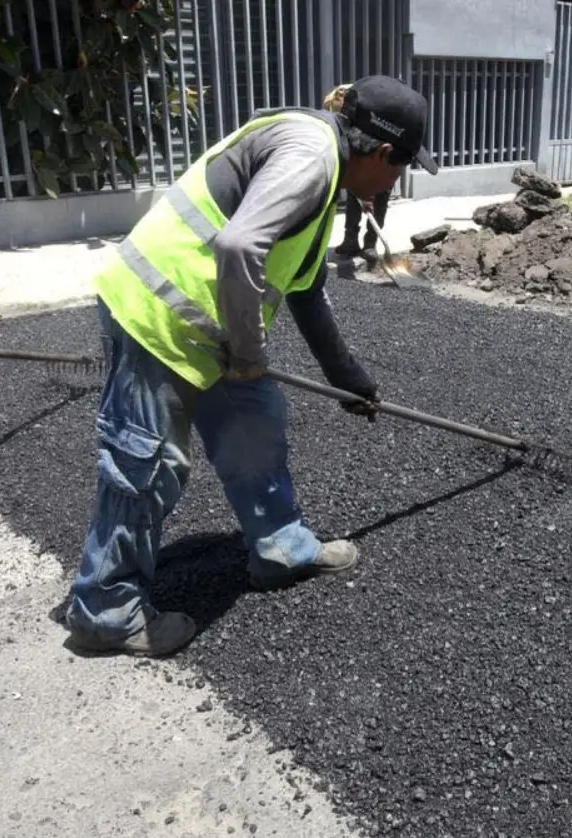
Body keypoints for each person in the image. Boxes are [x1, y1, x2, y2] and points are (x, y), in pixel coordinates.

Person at [66, 75, 440, 657]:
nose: (397, 180)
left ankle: (281, 549)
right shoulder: (311, 155)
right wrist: (248, 356)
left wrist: (351, 383)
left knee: (256, 423)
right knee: (146, 464)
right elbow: (240, 246)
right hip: (156, 311)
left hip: (216, 328)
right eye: (403, 167)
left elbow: (306, 292)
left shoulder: (326, 176)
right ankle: (107, 613)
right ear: (384, 154)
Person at [325, 82, 393, 258]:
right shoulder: (345, 109)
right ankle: (351, 240)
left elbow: (372, 154)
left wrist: (367, 195)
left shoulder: (374, 118)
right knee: (353, 200)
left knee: (379, 203)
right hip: (362, 162)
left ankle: (370, 243)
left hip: (383, 162)